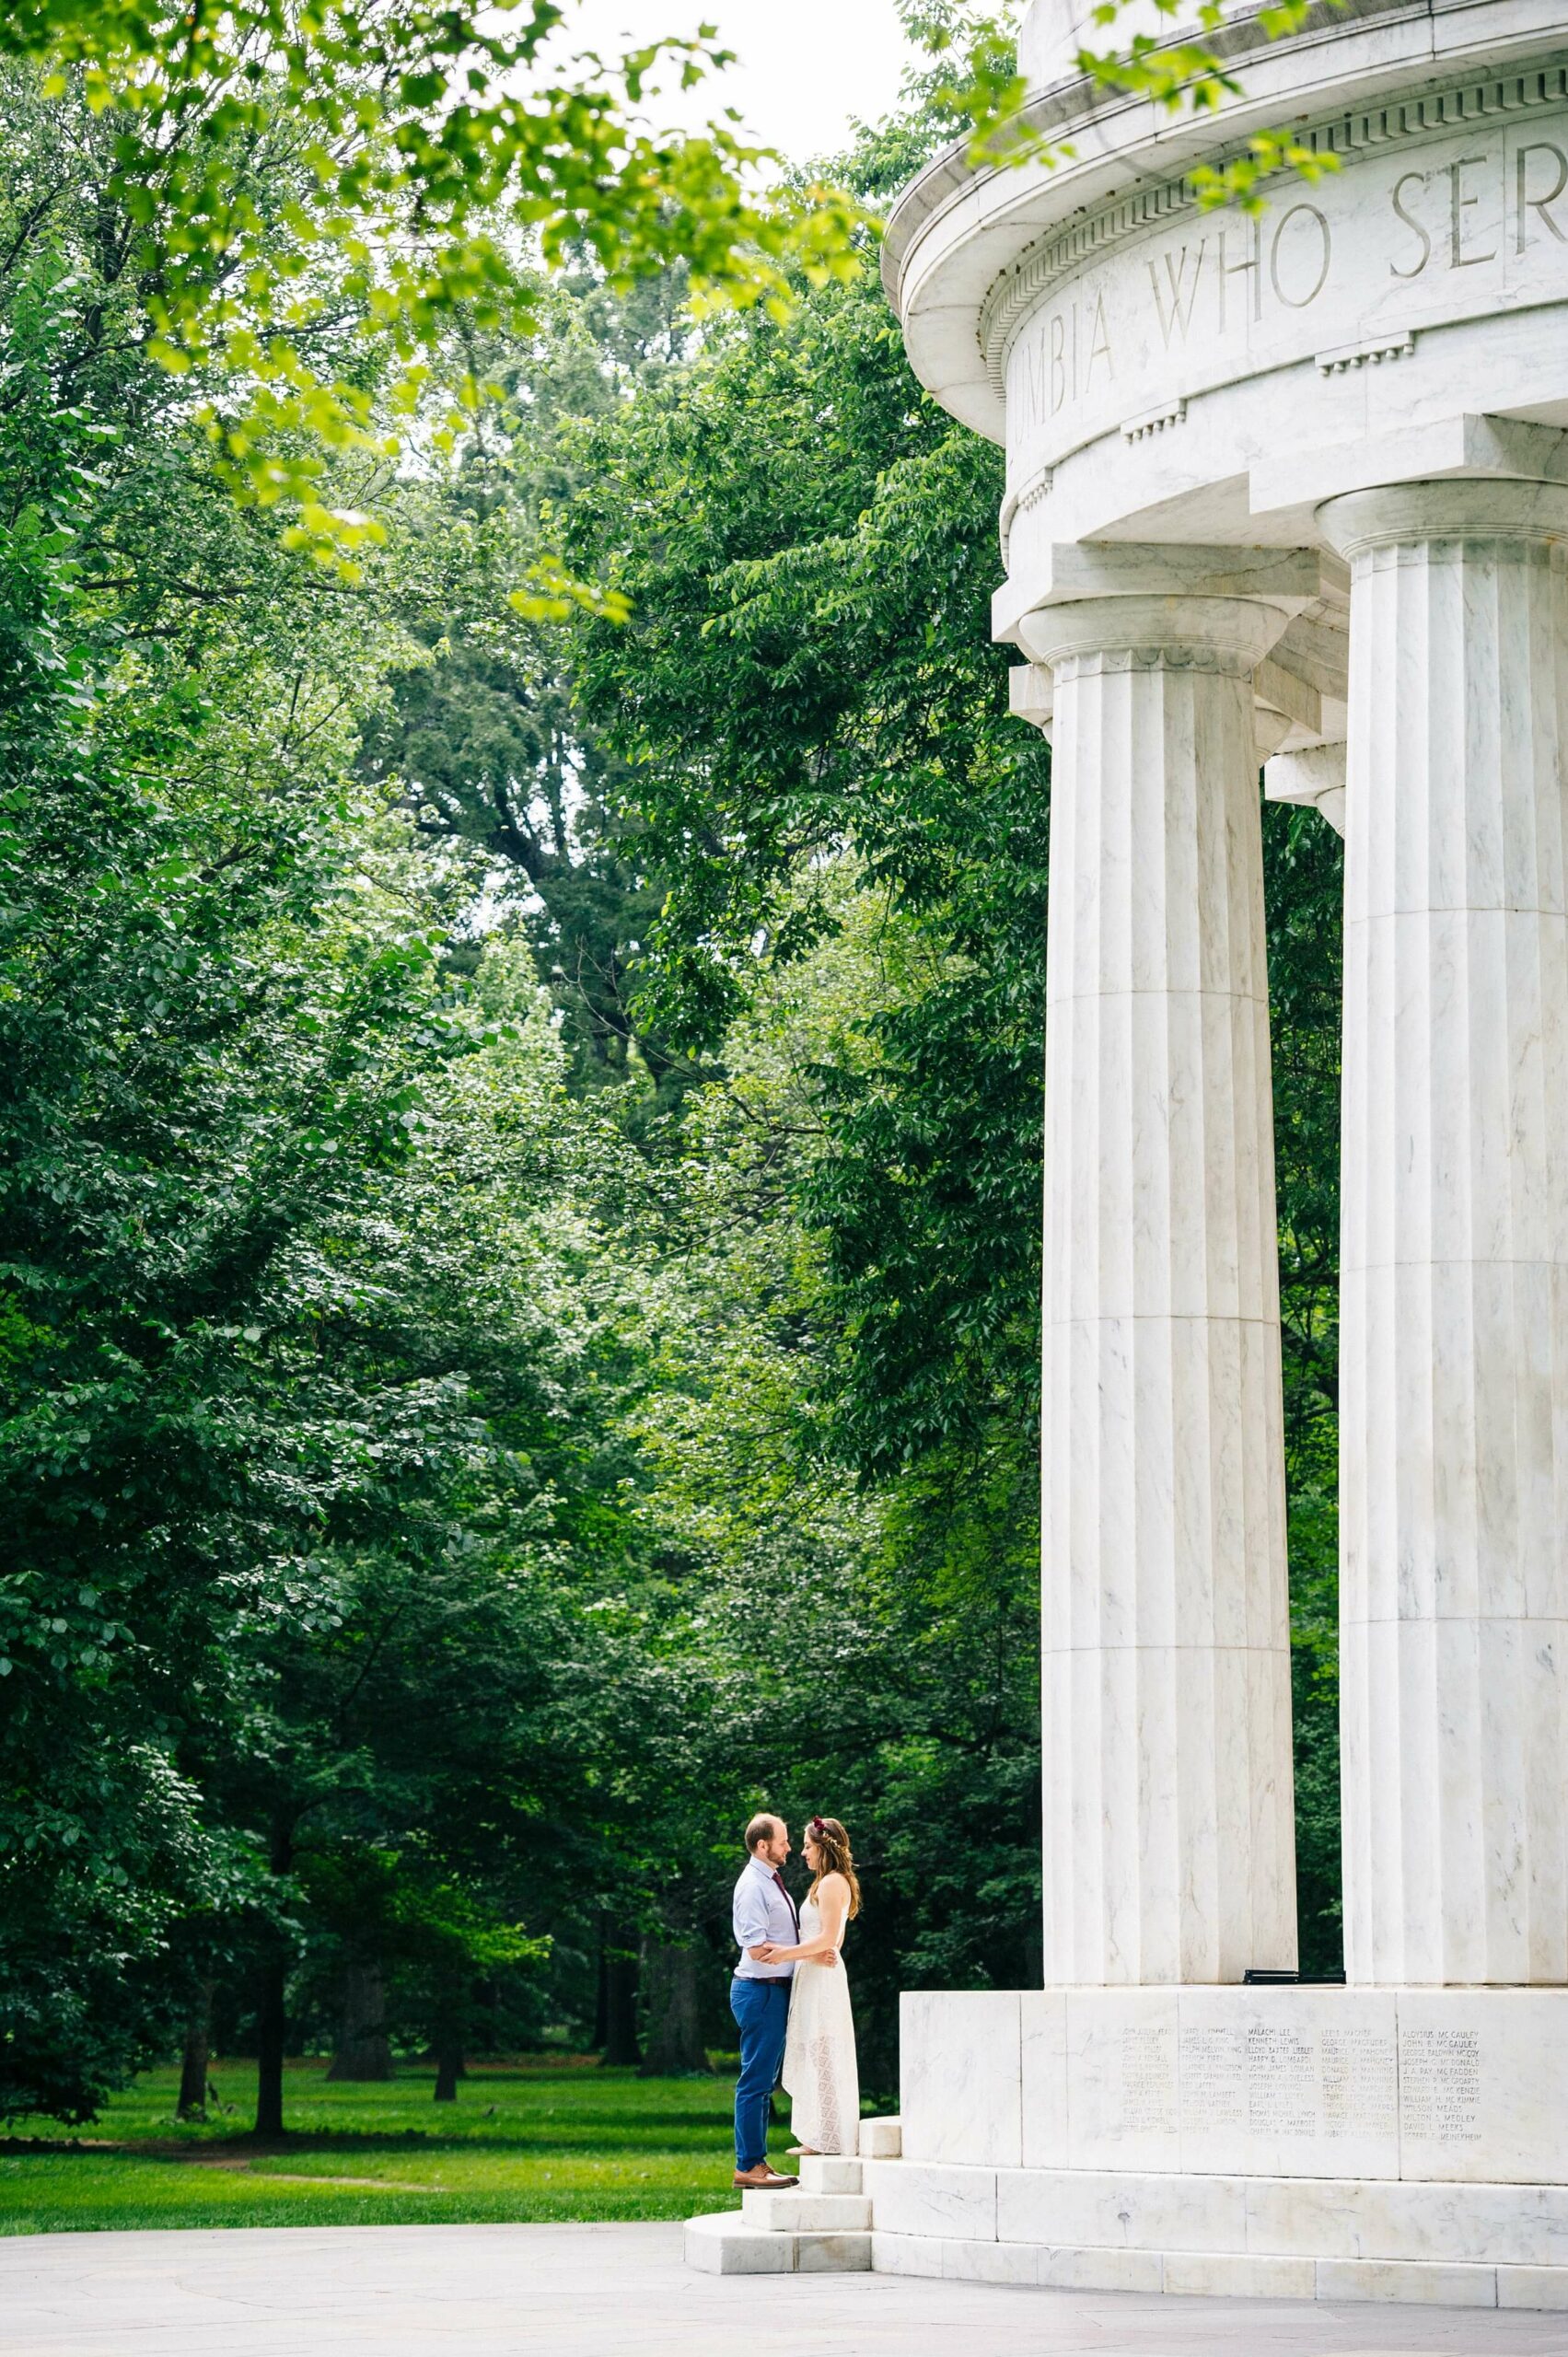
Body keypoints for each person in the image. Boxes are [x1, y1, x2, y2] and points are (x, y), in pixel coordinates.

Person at [729, 1812, 833, 2189]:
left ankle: (755, 2163)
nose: (789, 1846)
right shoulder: (752, 1887)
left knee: (762, 2081)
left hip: (774, 1990)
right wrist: (810, 1954)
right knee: (755, 2082)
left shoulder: (770, 1882)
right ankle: (749, 2165)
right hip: (760, 1991)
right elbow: (756, 1949)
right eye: (783, 1840)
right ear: (763, 1845)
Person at [771, 1814, 861, 2159]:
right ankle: (818, 2132)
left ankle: (828, 2136)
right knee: (814, 2049)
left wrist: (784, 1955)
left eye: (808, 1847)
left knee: (823, 2048)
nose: (803, 1853)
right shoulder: (824, 1883)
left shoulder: (833, 1882)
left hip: (822, 1979)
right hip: (813, 1972)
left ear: (824, 1847)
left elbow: (828, 1938)